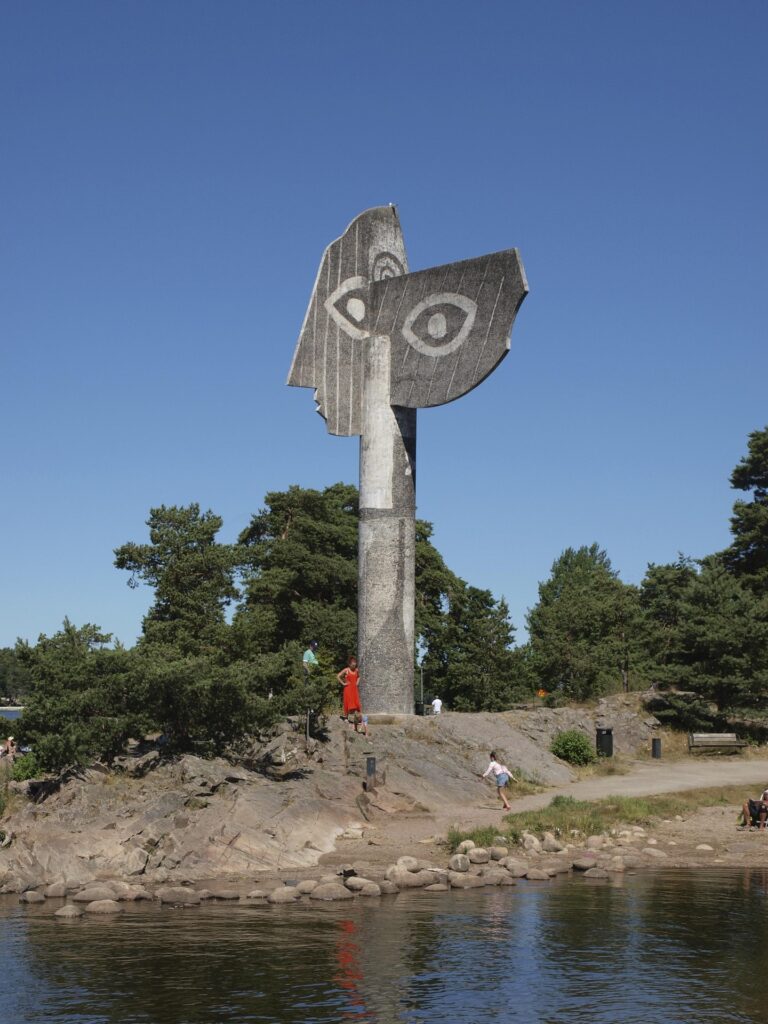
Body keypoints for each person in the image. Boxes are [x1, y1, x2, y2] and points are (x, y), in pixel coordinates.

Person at [337, 657, 368, 736]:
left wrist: (357, 682)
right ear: (350, 664)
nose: (354, 666)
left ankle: (358, 718)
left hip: (354, 689)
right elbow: (338, 676)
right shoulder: (346, 670)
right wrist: (343, 683)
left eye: (355, 664)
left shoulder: (356, 670)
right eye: (353, 664)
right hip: (348, 689)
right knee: (348, 703)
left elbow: (359, 677)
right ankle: (346, 717)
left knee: (356, 703)